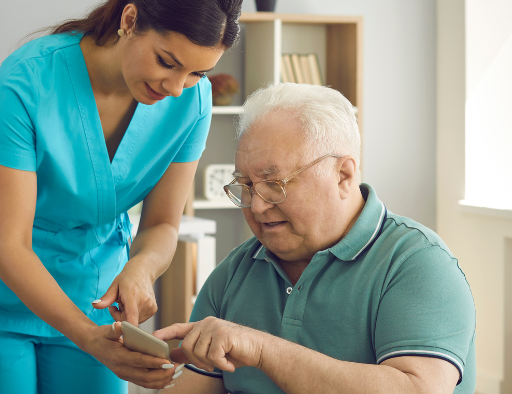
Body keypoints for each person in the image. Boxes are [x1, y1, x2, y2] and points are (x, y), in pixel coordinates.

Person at [0, 0, 243, 393]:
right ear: (130, 20)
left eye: (197, 73)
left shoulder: (192, 102)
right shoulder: (27, 81)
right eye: (167, 62)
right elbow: (11, 247)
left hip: (91, 294)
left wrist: (140, 268)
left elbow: (162, 224)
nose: (176, 88)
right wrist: (88, 338)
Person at [153, 83, 477, 394]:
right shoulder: (233, 273)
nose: (259, 205)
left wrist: (262, 349)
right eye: (246, 186)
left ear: (343, 176)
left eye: (274, 183)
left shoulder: (417, 263)